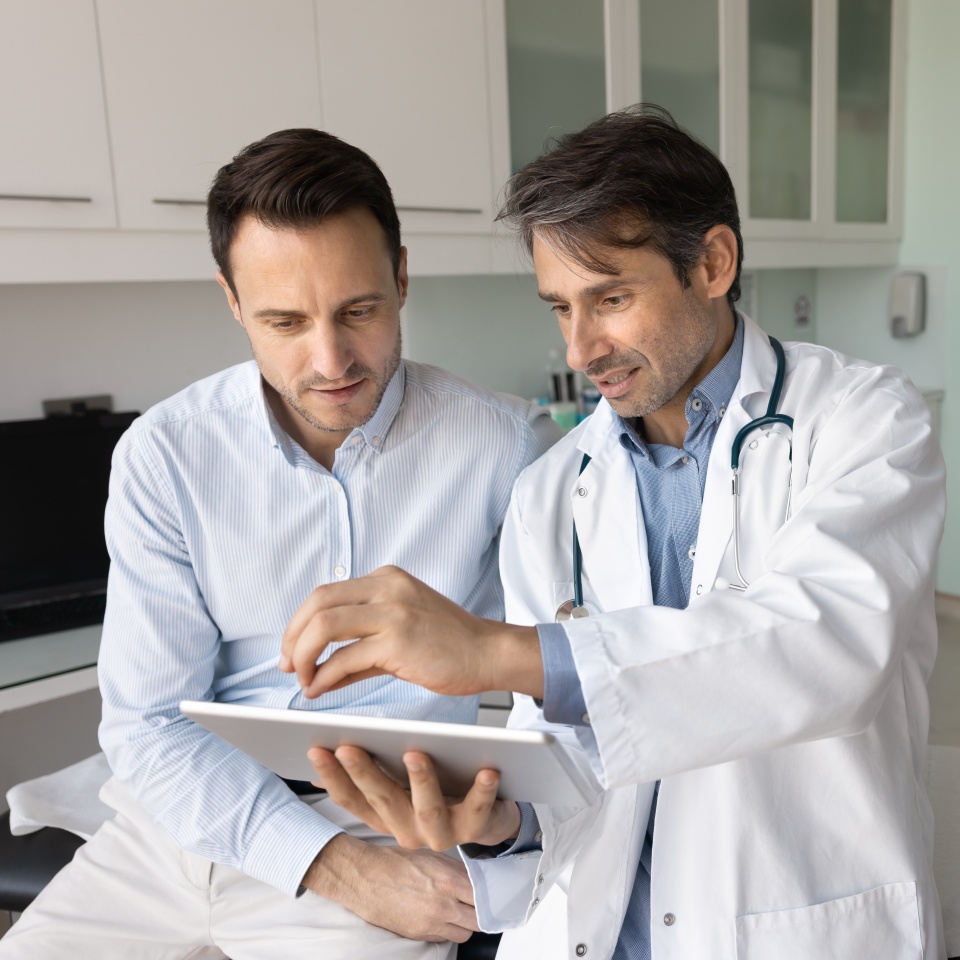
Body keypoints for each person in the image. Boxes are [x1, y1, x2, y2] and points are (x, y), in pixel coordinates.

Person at [278, 106, 948, 960]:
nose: (582, 345)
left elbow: (827, 649)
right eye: (559, 307)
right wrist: (495, 820)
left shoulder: (860, 420)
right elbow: (572, 768)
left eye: (612, 299)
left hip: (799, 926)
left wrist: (496, 651)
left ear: (712, 262)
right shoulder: (554, 490)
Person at [0, 128, 557, 959]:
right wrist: (326, 865)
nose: (329, 359)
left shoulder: (510, 447)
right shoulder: (166, 455)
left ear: (402, 277)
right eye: (284, 321)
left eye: (358, 311)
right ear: (231, 301)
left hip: (377, 822)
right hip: (178, 825)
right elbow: (146, 723)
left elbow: (573, 665)